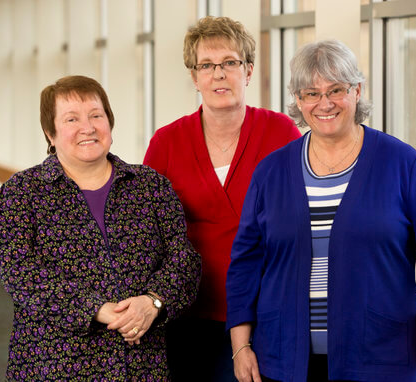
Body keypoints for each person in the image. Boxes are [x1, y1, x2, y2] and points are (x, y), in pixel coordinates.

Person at [225, 40, 416, 382]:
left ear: (357, 91)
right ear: (298, 100)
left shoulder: (402, 163)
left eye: (336, 90)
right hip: (283, 361)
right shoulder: (271, 171)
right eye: (311, 93)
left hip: (378, 359)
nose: (325, 103)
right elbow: (246, 264)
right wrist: (240, 347)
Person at [0, 75, 201, 381]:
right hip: (54, 366)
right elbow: (19, 271)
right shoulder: (21, 193)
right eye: (71, 119)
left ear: (109, 124)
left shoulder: (150, 186)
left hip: (141, 365)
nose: (87, 127)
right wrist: (96, 309)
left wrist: (153, 302)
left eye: (96, 115)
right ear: (50, 133)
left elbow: (184, 259)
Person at [143, 16, 301, 382]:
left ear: (247, 71)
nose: (219, 74)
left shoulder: (281, 132)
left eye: (230, 63)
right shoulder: (166, 143)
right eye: (207, 66)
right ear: (194, 77)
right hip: (188, 312)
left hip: (267, 310)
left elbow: (316, 214)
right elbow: (143, 232)